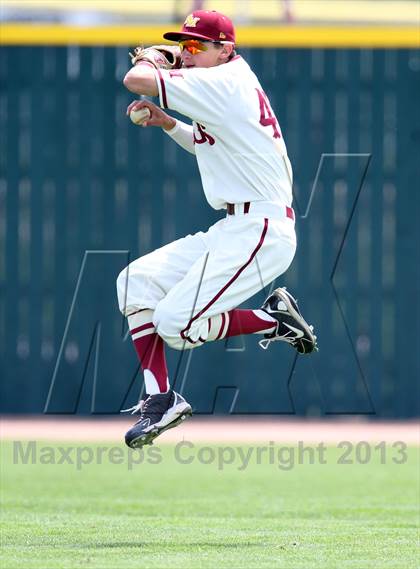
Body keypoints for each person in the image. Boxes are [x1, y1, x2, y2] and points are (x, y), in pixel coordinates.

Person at [117, 9, 317, 449]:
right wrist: (169, 124)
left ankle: (273, 321)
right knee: (135, 281)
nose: (186, 55)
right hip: (238, 226)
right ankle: (160, 399)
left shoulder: (223, 84)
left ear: (225, 49)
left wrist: (155, 58)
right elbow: (210, 143)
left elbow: (135, 79)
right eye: (182, 46)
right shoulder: (224, 83)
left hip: (261, 229)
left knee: (177, 326)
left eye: (195, 47)